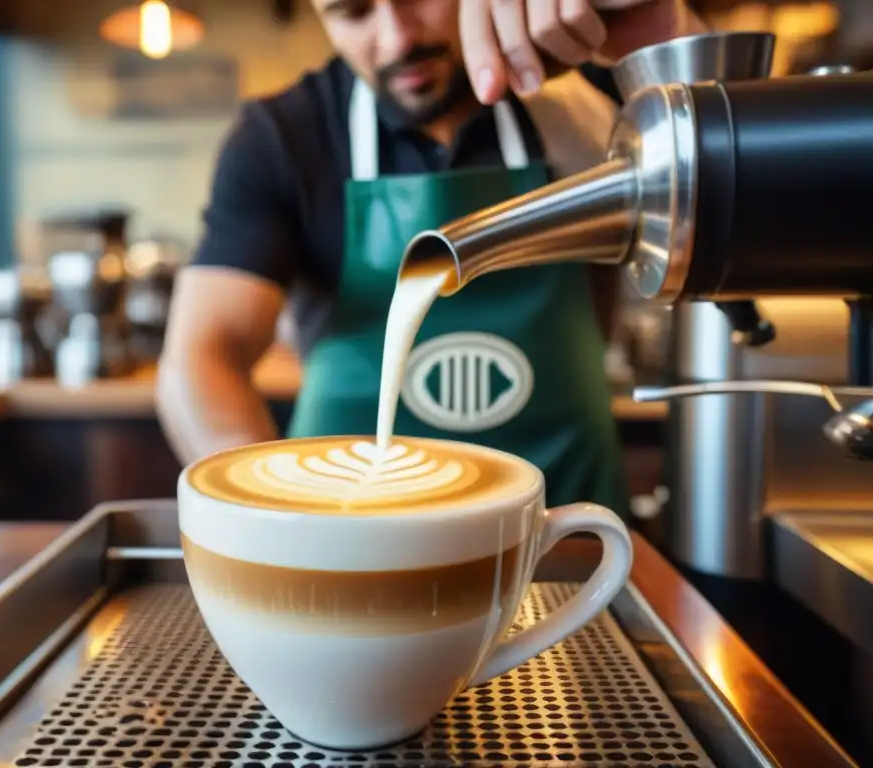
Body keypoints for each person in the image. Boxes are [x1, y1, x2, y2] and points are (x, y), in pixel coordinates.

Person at [156, 0, 706, 517]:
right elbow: (202, 359)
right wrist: (275, 518)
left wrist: (661, 34)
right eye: (353, 11)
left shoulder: (597, 91)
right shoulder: (283, 138)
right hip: (355, 540)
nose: (398, 38)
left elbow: (754, 196)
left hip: (570, 538)